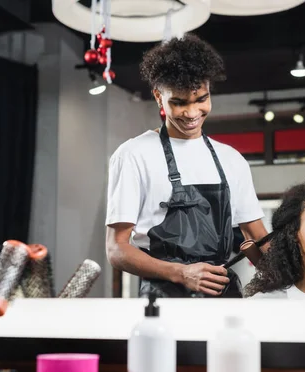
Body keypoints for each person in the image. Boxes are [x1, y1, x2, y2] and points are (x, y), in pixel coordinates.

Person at [105, 34, 268, 298]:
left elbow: (260, 240)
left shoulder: (232, 160)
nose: (192, 113)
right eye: (178, 103)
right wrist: (180, 273)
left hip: (224, 298)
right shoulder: (134, 155)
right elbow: (116, 249)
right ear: (159, 97)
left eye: (201, 99)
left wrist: (301, 272)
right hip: (164, 299)